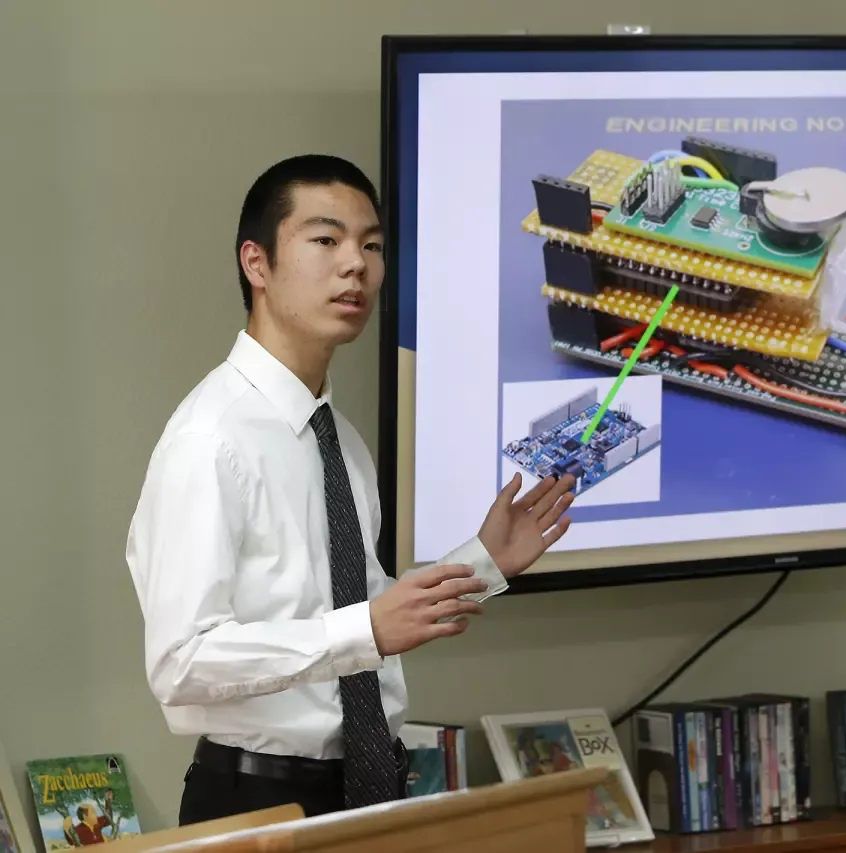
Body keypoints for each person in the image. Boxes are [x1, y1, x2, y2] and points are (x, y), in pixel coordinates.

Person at [124, 154, 576, 824]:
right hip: (258, 801)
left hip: (370, 788)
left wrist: (481, 564)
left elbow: (359, 610)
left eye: (372, 245)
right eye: (326, 240)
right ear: (257, 263)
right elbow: (180, 661)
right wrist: (362, 629)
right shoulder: (209, 438)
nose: (356, 265)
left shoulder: (343, 441)